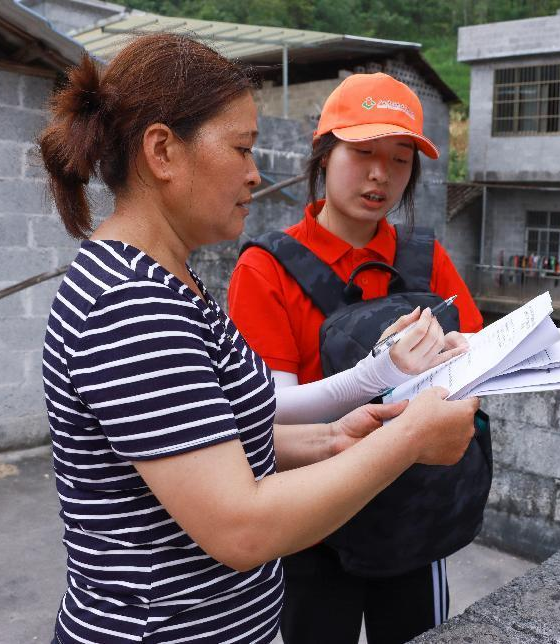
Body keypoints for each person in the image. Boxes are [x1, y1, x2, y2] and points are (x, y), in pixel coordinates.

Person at [38, 35, 479, 644]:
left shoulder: (169, 280)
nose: (255, 172)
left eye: (399, 158)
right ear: (163, 151)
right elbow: (240, 527)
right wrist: (408, 438)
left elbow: (214, 433)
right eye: (242, 148)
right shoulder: (131, 304)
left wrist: (332, 437)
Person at [227, 73, 484, 644]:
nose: (380, 175)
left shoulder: (426, 258)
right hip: (315, 523)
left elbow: (478, 363)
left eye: (399, 160)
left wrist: (469, 373)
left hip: (412, 518)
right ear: (324, 155)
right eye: (363, 152)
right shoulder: (266, 269)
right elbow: (274, 414)